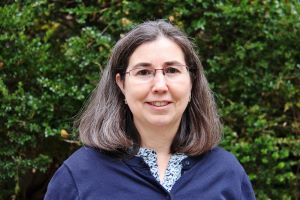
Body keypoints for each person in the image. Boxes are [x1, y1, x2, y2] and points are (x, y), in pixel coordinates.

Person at [44, 20, 256, 199]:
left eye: (172, 70)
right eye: (144, 72)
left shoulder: (227, 172)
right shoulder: (78, 175)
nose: (160, 86)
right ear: (121, 84)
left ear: (191, 81)